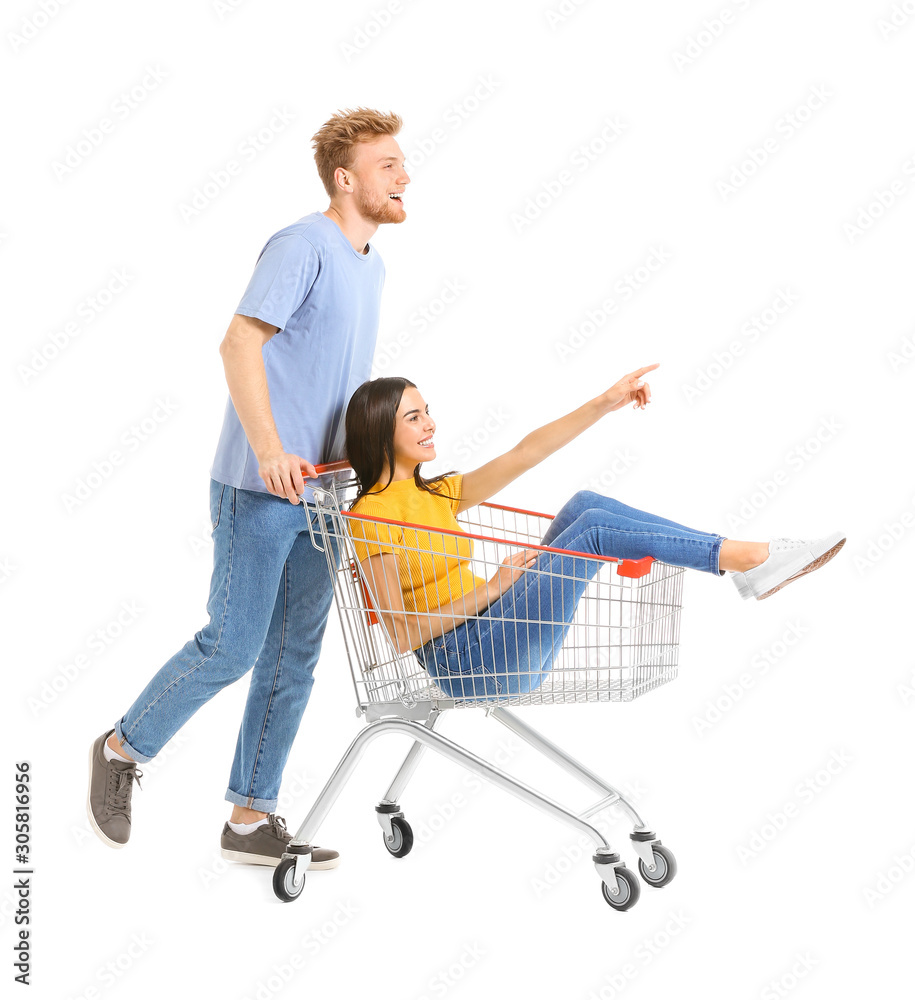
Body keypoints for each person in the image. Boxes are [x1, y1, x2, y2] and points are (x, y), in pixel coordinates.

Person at [87, 108, 410, 869]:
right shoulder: (303, 245)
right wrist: (270, 451)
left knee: (293, 655)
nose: (403, 175)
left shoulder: (372, 265)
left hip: (324, 498)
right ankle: (121, 748)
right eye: (387, 165)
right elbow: (238, 342)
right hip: (259, 491)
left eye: (402, 163)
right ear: (345, 178)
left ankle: (248, 819)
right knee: (232, 645)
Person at [341, 370, 846, 700]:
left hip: (497, 625)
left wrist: (604, 403)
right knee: (595, 531)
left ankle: (742, 558)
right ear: (380, 431)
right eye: (414, 416)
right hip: (471, 658)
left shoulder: (438, 493)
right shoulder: (370, 516)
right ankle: (745, 559)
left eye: (428, 410)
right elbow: (402, 633)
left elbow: (525, 452)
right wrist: (492, 588)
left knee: (585, 506)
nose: (430, 424)